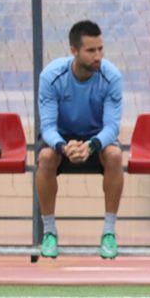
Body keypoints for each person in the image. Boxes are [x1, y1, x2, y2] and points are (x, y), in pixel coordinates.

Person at [36, 20, 124, 259]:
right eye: (91, 50)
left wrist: (91, 145)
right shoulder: (51, 76)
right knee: (45, 157)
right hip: (62, 141)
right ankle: (49, 232)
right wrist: (64, 147)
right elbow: (48, 127)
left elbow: (112, 127)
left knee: (115, 155)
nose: (98, 56)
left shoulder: (112, 77)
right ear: (73, 51)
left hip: (97, 140)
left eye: (101, 49)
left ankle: (109, 232)